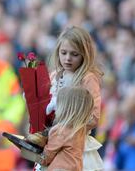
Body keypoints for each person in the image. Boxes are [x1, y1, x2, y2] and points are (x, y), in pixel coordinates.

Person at [28, 26, 104, 170]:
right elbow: (44, 108)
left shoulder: (88, 79)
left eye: (74, 54)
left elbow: (93, 118)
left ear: (84, 54)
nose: (68, 58)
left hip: (74, 145)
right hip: (51, 143)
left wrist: (67, 123)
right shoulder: (54, 75)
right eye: (64, 53)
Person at [20, 86, 94, 171]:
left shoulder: (60, 130)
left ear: (65, 108)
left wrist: (28, 153)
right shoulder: (80, 129)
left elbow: (46, 157)